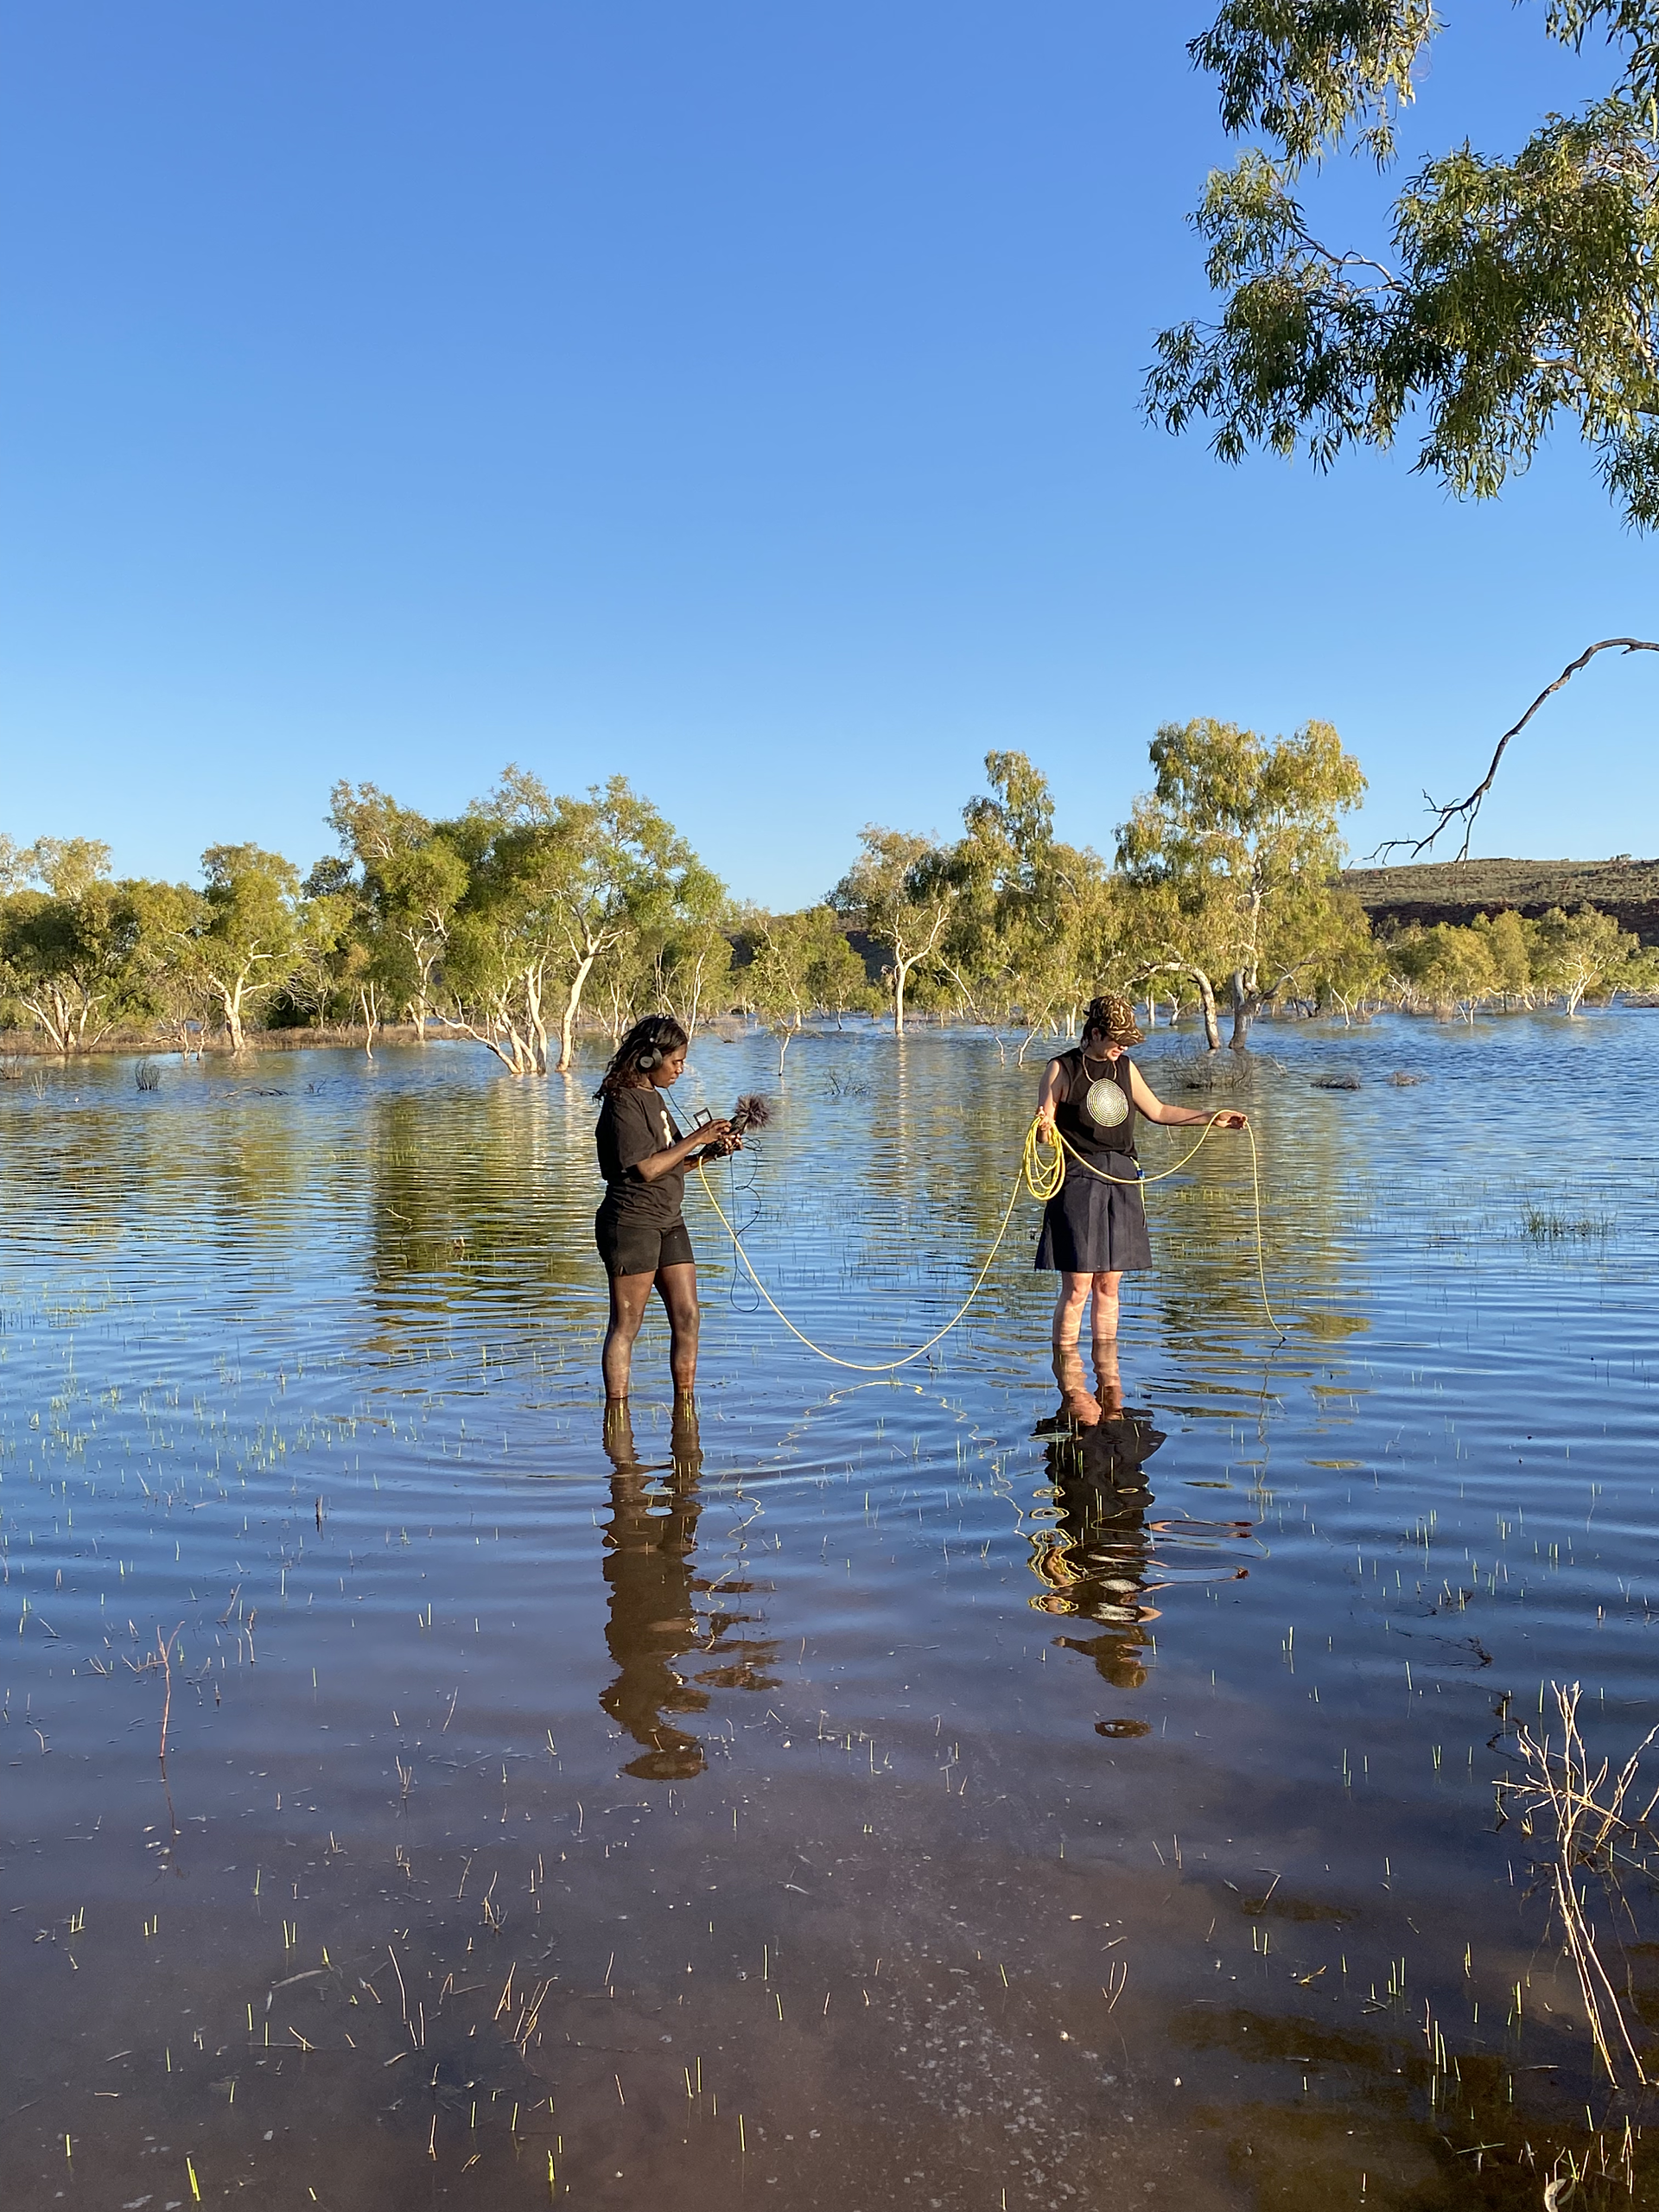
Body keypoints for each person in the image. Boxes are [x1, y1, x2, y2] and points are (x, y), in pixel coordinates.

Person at [1034, 992, 1246, 1346]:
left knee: (1109, 1284)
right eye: (1118, 1039)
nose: (1123, 1047)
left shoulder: (1125, 1068)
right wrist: (1043, 1128)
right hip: (1077, 1180)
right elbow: (1046, 1136)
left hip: (1122, 1178)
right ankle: (1068, 1373)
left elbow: (1159, 1111)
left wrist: (1213, 1119)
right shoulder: (1061, 1068)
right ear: (1097, 1033)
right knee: (1078, 1286)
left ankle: (1108, 1373)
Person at [594, 1014, 741, 1402]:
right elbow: (646, 1168)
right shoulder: (622, 1101)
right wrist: (699, 1135)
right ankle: (618, 1416)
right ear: (648, 1058)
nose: (680, 1069)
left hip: (668, 1220)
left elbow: (673, 1163)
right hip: (631, 1224)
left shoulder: (655, 1098)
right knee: (627, 1325)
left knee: (689, 1316)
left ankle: (686, 1411)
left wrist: (709, 1152)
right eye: (675, 1061)